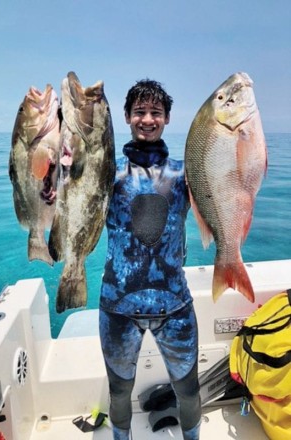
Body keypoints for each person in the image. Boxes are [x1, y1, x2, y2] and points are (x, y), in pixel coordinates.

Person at [99, 79, 201, 440]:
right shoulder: (107, 174)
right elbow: (65, 194)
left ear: (167, 118)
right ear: (127, 116)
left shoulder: (183, 174)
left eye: (155, 112)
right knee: (118, 392)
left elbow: (223, 193)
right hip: (117, 307)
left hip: (175, 306)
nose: (147, 119)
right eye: (139, 112)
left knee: (188, 390)